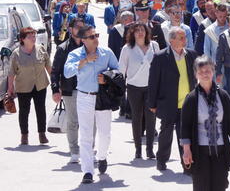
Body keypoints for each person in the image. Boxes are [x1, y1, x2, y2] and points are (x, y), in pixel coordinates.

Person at [64, 25, 119, 184]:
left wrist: (107, 78)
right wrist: (84, 61)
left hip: (103, 97)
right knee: (86, 135)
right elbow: (67, 72)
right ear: (83, 40)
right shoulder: (75, 54)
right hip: (84, 97)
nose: (96, 39)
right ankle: (88, 171)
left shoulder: (106, 52)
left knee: (105, 133)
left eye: (97, 35)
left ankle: (102, 157)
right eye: (92, 37)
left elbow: (118, 70)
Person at [181, 56, 230, 190]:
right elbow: (184, 127)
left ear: (213, 71)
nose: (204, 74)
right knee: (201, 187)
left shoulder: (224, 96)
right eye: (200, 71)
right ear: (196, 74)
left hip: (220, 151)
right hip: (199, 152)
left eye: (207, 70)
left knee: (220, 186)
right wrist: (186, 150)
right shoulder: (191, 99)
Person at [148, 27, 198, 172]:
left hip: (187, 104)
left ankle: (187, 165)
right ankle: (162, 159)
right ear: (171, 40)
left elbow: (198, 77)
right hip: (168, 103)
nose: (185, 40)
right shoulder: (160, 57)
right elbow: (153, 81)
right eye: (181, 38)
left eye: (184, 37)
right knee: (166, 133)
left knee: (185, 136)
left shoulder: (192, 55)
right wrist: (152, 103)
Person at [119, 23, 160, 159]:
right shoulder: (127, 48)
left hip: (151, 87)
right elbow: (121, 69)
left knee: (151, 118)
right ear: (132, 33)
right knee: (136, 117)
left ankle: (149, 149)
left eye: (142, 30)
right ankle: (138, 149)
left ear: (147, 32)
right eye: (137, 31)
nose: (140, 33)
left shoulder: (154, 46)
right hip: (133, 87)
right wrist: (120, 88)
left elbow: (159, 68)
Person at [7, 27, 51, 145]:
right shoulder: (16, 54)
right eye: (30, 36)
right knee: (24, 111)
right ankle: (24, 135)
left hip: (40, 85)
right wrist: (10, 88)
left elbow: (48, 66)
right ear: (22, 39)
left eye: (34, 35)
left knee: (41, 109)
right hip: (23, 86)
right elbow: (11, 73)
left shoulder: (41, 49)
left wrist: (56, 83)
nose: (33, 38)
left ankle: (42, 134)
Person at [51, 18, 84, 163]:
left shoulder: (89, 46)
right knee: (72, 121)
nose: (80, 29)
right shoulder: (63, 48)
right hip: (70, 90)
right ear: (70, 29)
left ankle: (88, 148)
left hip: (88, 89)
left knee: (89, 121)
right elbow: (55, 71)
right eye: (77, 27)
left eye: (83, 27)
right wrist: (55, 90)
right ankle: (74, 150)